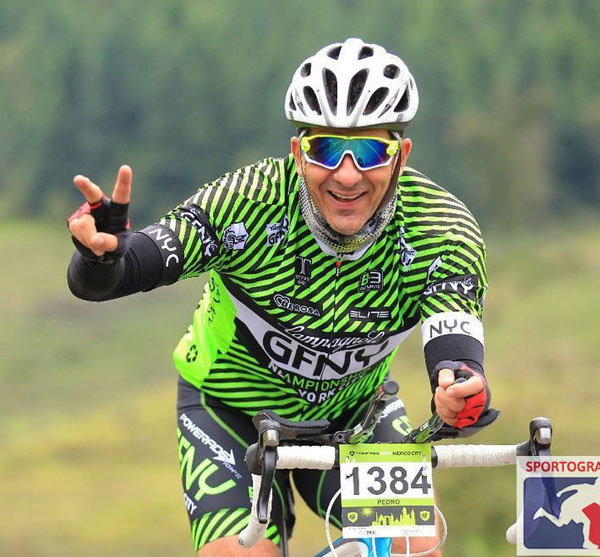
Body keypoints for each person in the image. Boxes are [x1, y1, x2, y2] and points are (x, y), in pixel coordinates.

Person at [67, 38, 498, 556]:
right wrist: (101, 259)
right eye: (324, 149)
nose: (346, 174)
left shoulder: (440, 229)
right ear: (297, 151)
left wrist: (458, 393)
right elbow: (131, 266)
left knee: (414, 547)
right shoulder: (248, 201)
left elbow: (456, 352)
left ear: (400, 155)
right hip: (229, 410)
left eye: (367, 151)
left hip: (355, 413)